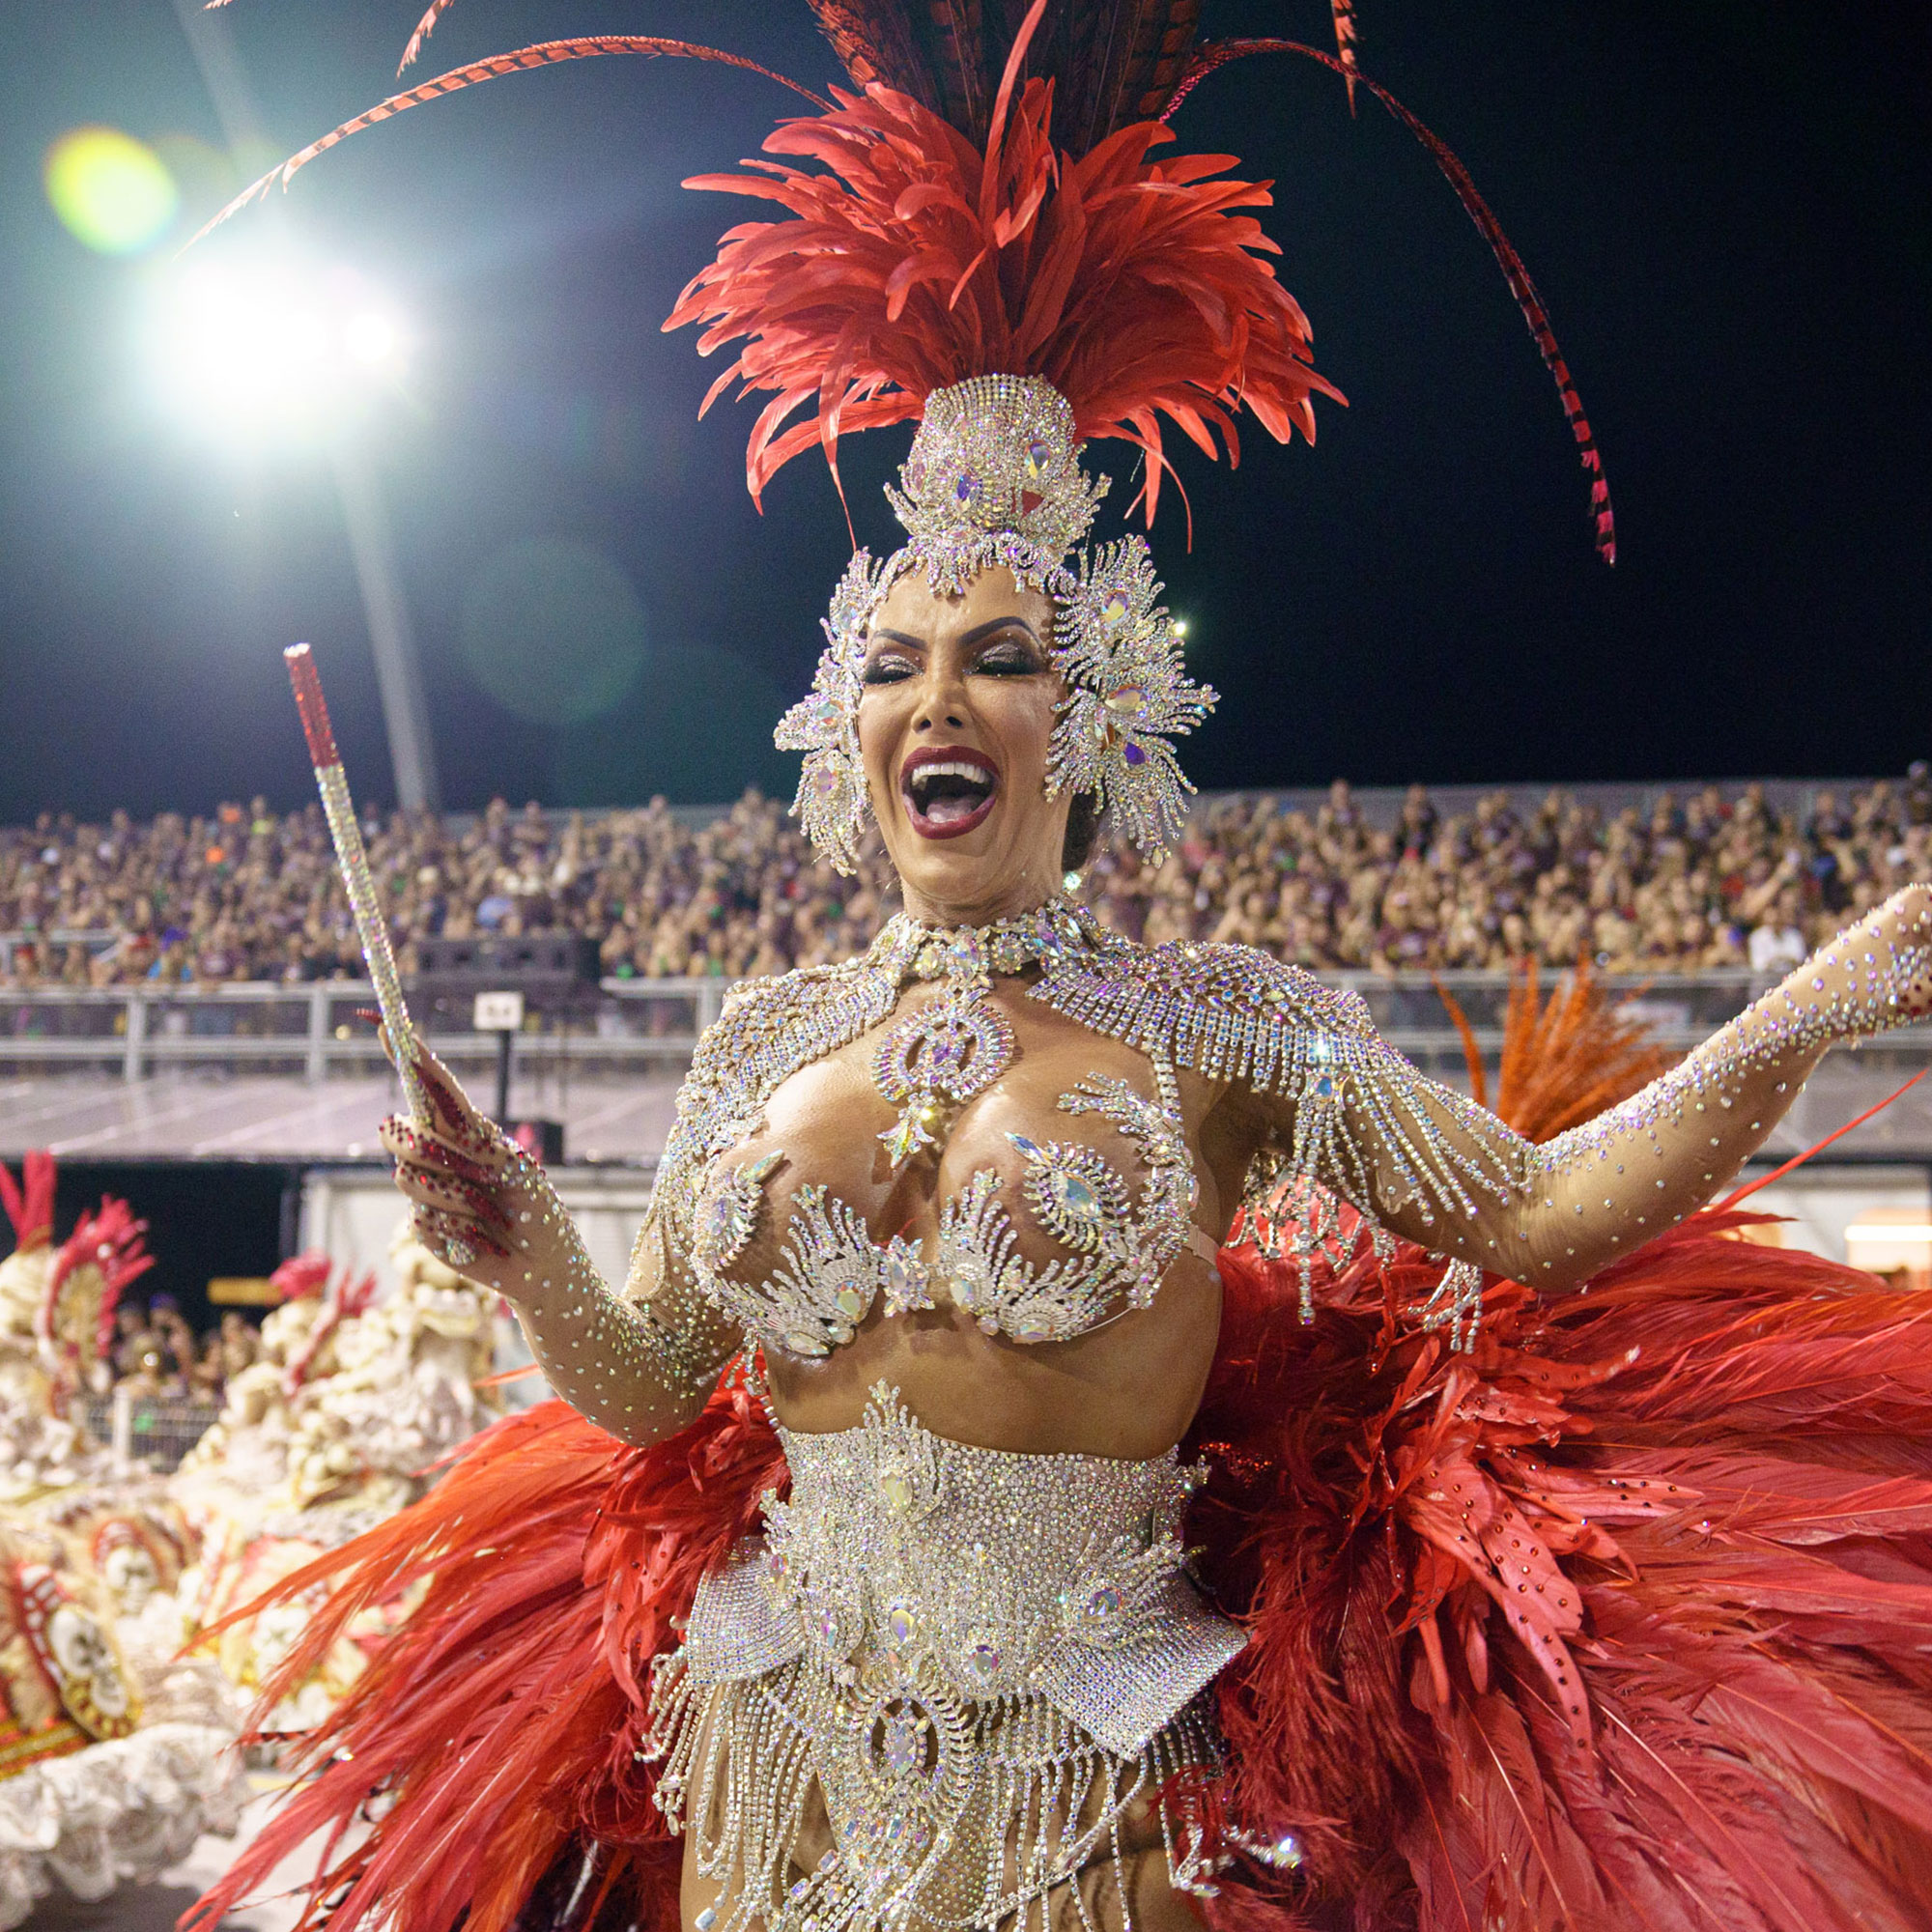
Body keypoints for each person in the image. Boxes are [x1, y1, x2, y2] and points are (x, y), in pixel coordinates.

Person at [190, 9, 1932, 1932]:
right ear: (843, 732)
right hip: (770, 1781)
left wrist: (1823, 994)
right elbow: (652, 1385)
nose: (937, 696)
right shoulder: (766, 1037)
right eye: (892, 665)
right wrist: (525, 1245)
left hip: (1094, 1813)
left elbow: (1536, 1216)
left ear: (1090, 718)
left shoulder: (1220, 1026)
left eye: (999, 659)